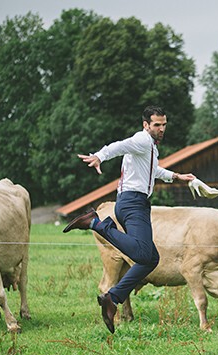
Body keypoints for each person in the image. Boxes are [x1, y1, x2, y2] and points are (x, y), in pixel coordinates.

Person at [63, 106, 196, 334]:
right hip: (132, 203)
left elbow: (153, 171)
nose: (161, 129)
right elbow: (119, 146)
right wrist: (100, 156)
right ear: (146, 125)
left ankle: (112, 298)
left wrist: (176, 177)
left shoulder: (150, 148)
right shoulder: (142, 140)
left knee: (150, 259)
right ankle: (96, 224)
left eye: (164, 124)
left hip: (136, 203)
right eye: (156, 125)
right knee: (144, 255)